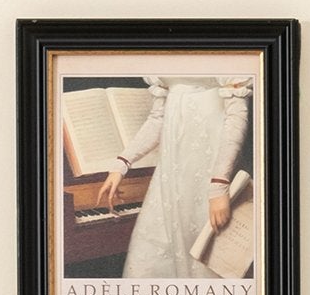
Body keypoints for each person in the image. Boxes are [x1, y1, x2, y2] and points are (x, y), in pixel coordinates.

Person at [93, 76, 250, 277]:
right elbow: (158, 118)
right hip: (171, 172)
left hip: (211, 167)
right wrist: (122, 163)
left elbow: (237, 117)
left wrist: (219, 183)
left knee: (206, 260)